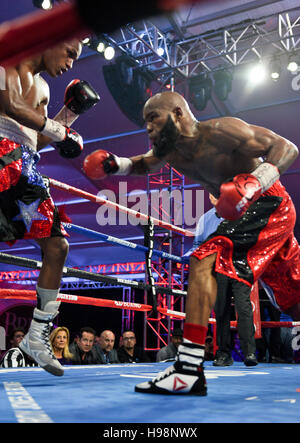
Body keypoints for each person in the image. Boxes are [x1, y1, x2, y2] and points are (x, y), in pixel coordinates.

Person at [84, 90, 300, 395]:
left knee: (203, 260)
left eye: (152, 118)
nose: (147, 127)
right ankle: (188, 371)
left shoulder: (223, 131)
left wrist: (254, 183)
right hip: (242, 218)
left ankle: (187, 370)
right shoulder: (170, 150)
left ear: (177, 113)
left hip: (268, 203)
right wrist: (116, 165)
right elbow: (146, 163)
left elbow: (286, 148)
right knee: (292, 298)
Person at [0, 39, 99, 377]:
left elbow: (34, 136)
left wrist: (69, 115)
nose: (71, 63)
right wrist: (59, 129)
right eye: (70, 52)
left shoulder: (42, 87)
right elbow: (9, 104)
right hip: (0, 154)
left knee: (57, 245)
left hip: (25, 165)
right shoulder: (8, 58)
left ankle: (36, 336)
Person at [186, 194, 257, 367]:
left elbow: (254, 238)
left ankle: (250, 352)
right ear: (210, 197)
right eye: (212, 193)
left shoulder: (244, 213)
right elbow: (197, 245)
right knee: (221, 310)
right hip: (218, 268)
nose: (216, 196)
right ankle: (224, 353)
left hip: (240, 265)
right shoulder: (205, 219)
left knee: (244, 307)